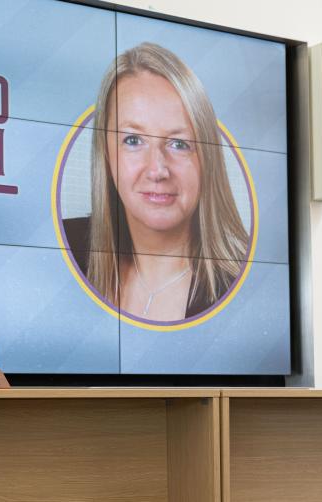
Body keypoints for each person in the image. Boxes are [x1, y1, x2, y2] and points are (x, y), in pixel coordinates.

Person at [64, 42, 248, 321]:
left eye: (179, 143)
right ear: (105, 153)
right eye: (133, 140)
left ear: (207, 158)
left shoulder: (247, 283)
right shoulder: (68, 251)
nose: (157, 170)